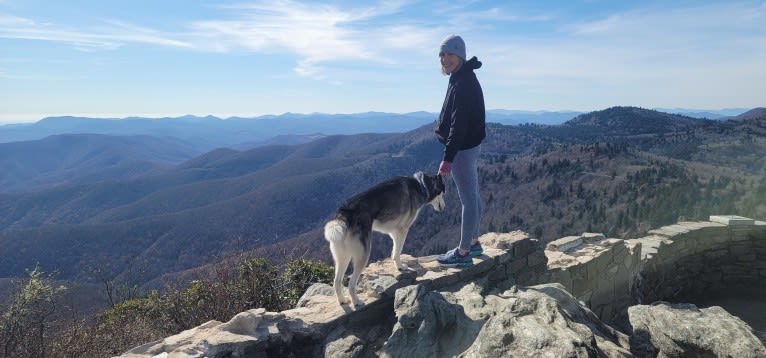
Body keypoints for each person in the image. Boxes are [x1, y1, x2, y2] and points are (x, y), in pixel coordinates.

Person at [434, 34, 486, 267]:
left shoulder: (463, 82)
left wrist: (448, 157)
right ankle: (473, 243)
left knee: (468, 200)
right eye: (442, 55)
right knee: (472, 196)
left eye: (450, 54)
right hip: (469, 146)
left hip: (462, 149)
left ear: (461, 56)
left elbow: (459, 123)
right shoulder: (461, 77)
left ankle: (464, 252)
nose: (445, 59)